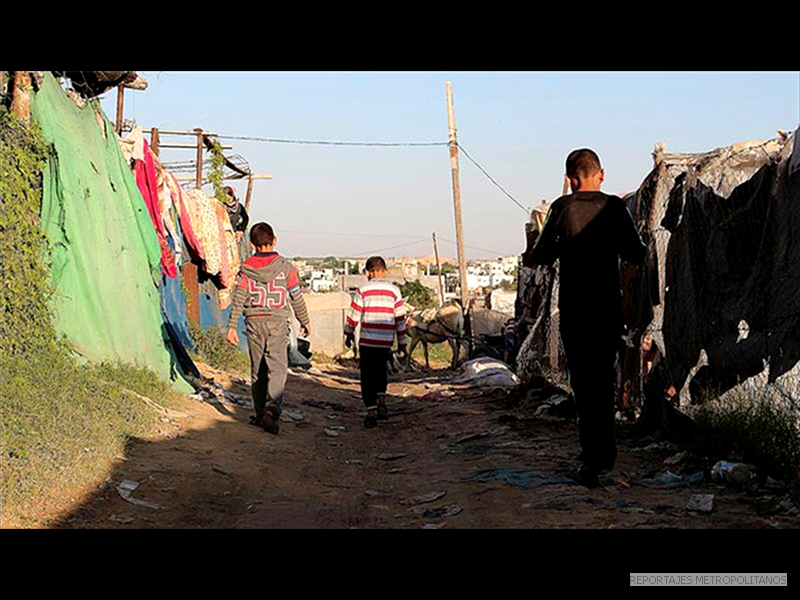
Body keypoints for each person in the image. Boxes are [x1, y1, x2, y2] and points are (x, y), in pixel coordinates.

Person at [529, 149, 646, 487]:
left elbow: (542, 252)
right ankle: (604, 455)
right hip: (608, 311)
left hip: (575, 313)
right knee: (603, 381)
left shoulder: (561, 208)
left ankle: (591, 457)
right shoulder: (615, 208)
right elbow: (636, 252)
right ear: (602, 174)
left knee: (583, 385)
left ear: (570, 179)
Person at [227, 223, 311, 435]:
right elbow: (296, 297)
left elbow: (238, 298)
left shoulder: (246, 269)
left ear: (252, 244)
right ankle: (272, 409)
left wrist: (231, 326)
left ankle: (259, 412)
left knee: (258, 370)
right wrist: (305, 320)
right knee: (278, 368)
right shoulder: (286, 268)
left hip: (254, 322)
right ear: (274, 241)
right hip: (278, 323)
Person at [344, 257, 408, 429]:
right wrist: (403, 342)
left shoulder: (362, 290)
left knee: (367, 376)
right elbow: (400, 319)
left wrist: (348, 334)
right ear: (385, 271)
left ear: (369, 272)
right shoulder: (394, 291)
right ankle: (382, 402)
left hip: (367, 342)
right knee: (381, 372)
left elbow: (354, 316)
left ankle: (371, 412)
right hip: (385, 342)